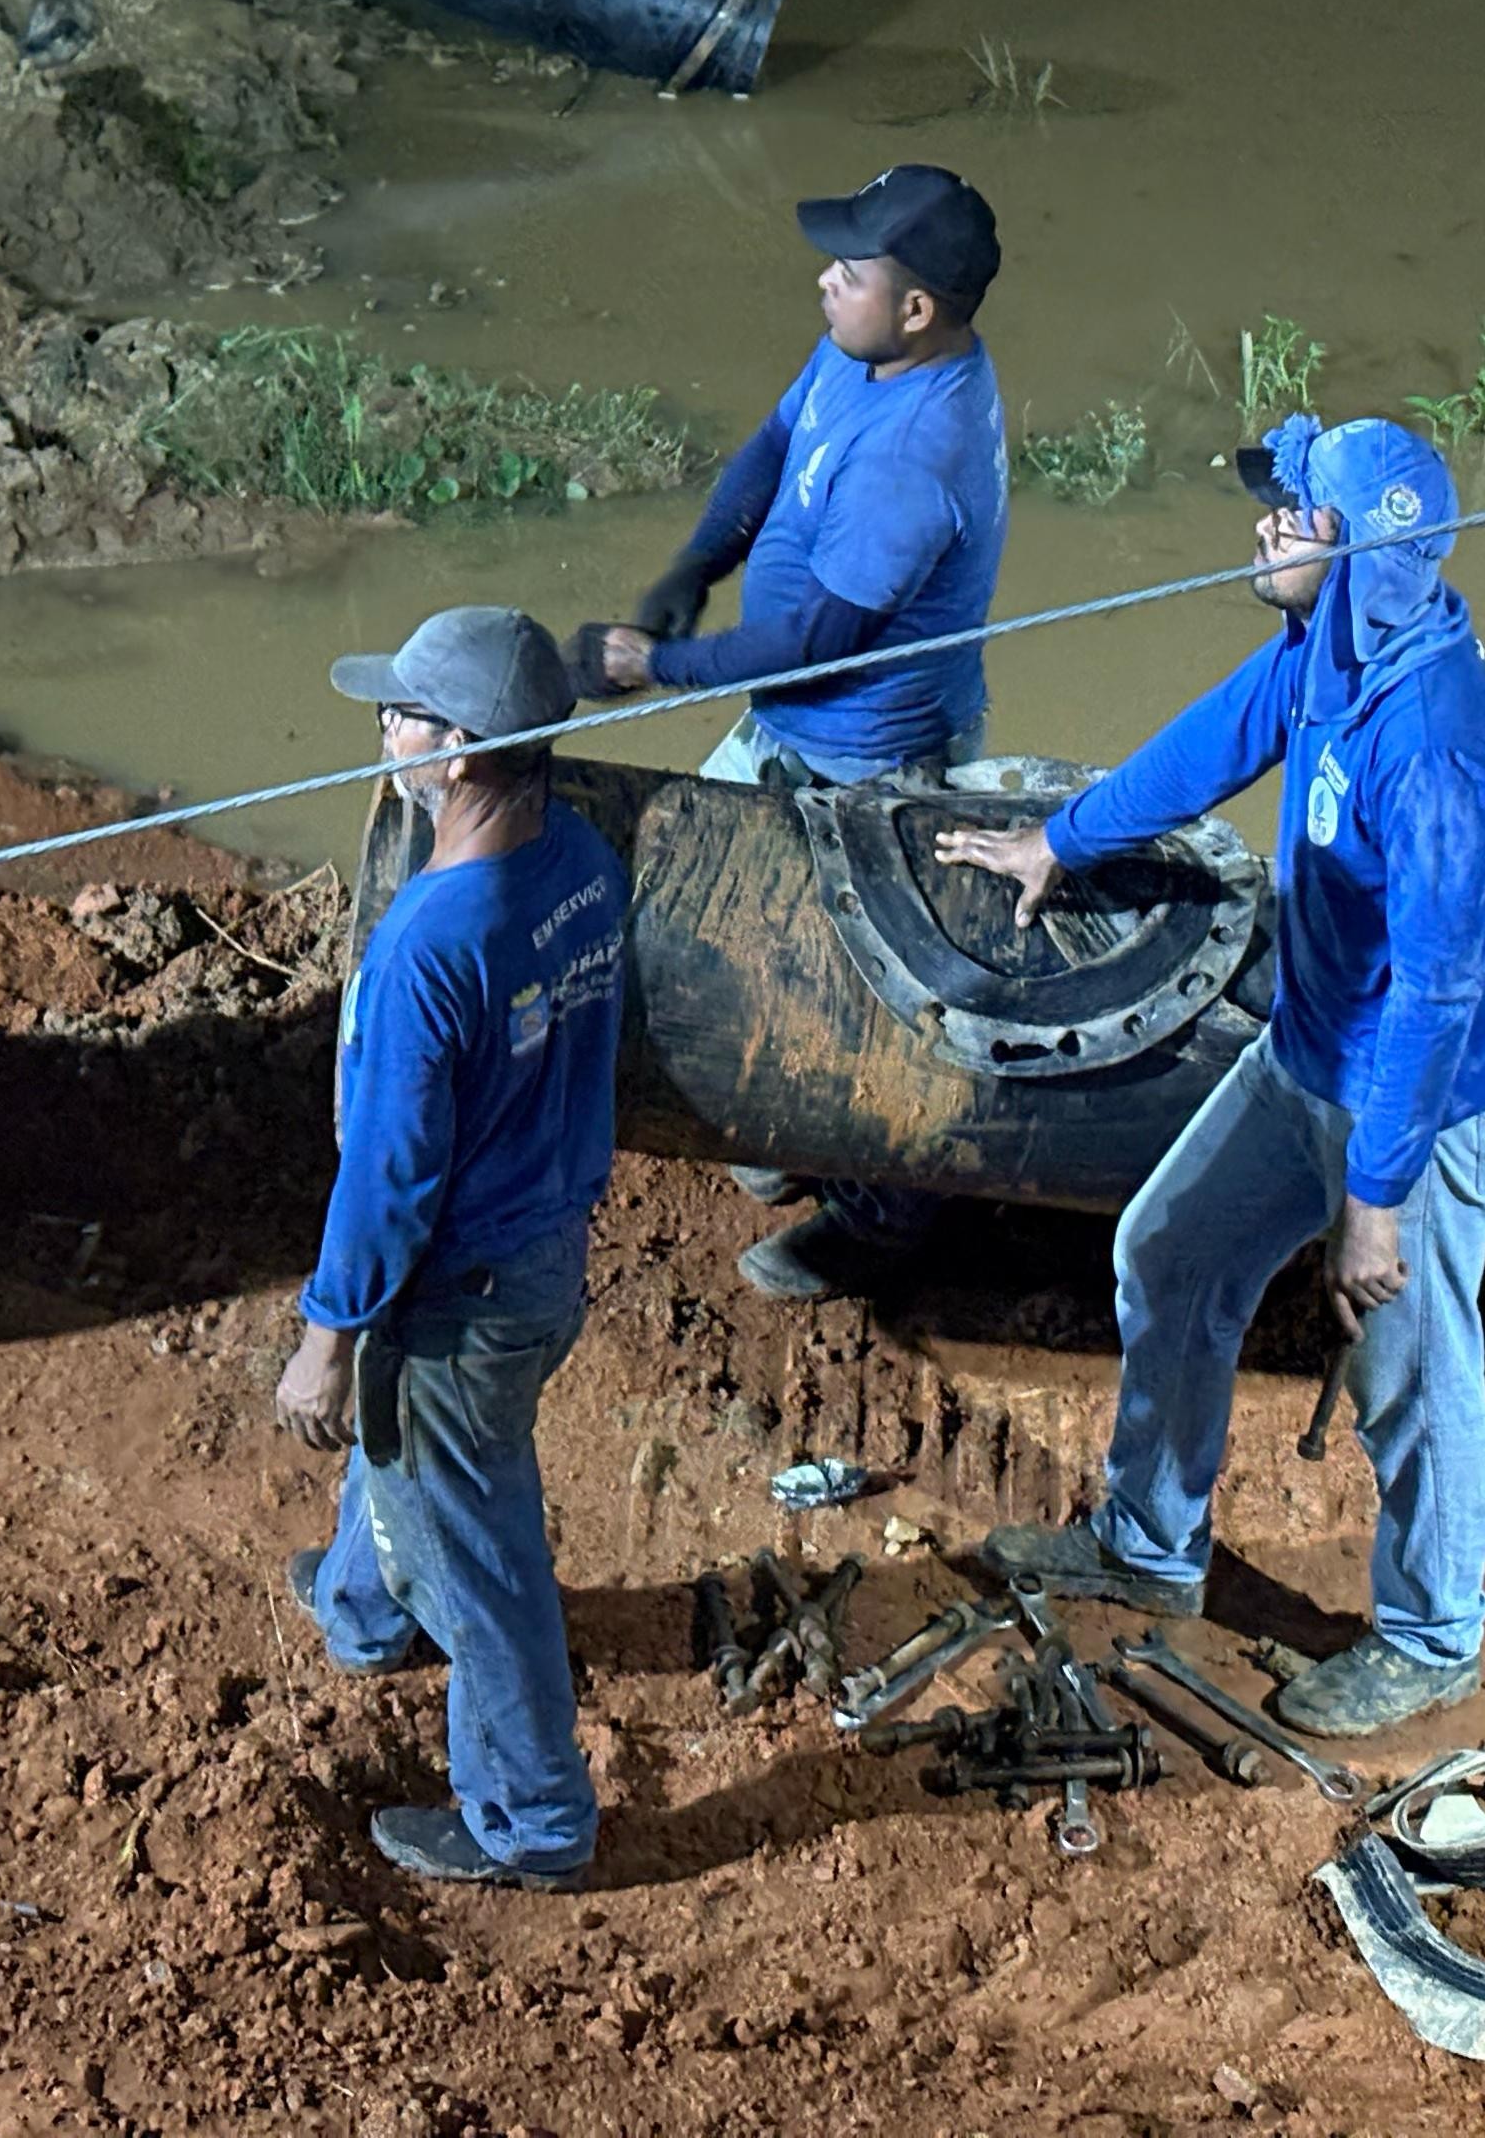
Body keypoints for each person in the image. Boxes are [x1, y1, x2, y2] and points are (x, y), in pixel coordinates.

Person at [931, 413, 1485, 1738]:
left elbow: (1437, 996)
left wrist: (1374, 1195)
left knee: (1411, 1368)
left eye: (1294, 515)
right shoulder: (1331, 646)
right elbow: (1218, 738)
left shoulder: (1439, 748)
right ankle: (1150, 1547)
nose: (1264, 526)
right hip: (1319, 1047)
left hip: (1422, 1101)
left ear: (1367, 555)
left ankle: (1433, 1637)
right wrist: (1061, 841)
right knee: (1171, 1251)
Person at [572, 162, 1010, 1303]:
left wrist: (656, 663)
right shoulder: (866, 350)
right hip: (788, 722)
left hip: (871, 755)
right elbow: (775, 442)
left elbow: (821, 638)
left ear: (915, 308)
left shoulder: (922, 457)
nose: (824, 281)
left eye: (848, 271)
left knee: (869, 995)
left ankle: (885, 1215)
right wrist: (695, 566)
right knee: (694, 903)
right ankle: (776, 1121)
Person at [278, 605, 628, 1887]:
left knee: (481, 1563)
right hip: (546, 1256)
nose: (386, 727)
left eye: (409, 714)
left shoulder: (428, 945)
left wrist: (326, 1336)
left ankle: (536, 1822)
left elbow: (387, 1178)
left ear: (469, 752)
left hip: (463, 1290)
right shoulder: (583, 862)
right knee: (417, 1457)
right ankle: (369, 1615)